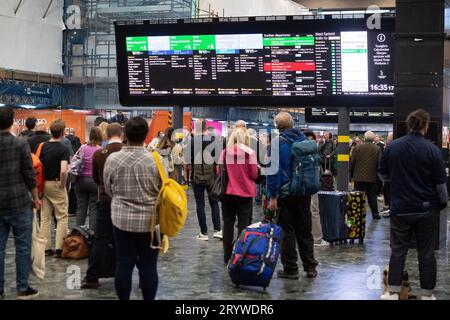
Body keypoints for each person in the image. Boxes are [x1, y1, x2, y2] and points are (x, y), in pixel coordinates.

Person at [380, 109, 447, 300]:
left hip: (400, 207)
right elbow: (440, 185)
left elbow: (383, 175)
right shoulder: (432, 150)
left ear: (409, 124)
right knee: (426, 254)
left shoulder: (393, 147)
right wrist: (440, 205)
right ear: (425, 126)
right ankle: (427, 295)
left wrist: (398, 181)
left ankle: (392, 292)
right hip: (426, 209)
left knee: (398, 250)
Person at [104, 117, 162, 300]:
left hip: (122, 220)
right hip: (153, 223)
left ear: (125, 135)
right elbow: (163, 191)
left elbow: (108, 188)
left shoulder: (113, 159)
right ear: (146, 135)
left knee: (124, 263)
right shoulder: (156, 159)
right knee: (149, 265)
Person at [267, 112, 318, 279]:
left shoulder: (276, 144)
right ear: (292, 123)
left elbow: (272, 173)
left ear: (277, 126)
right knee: (305, 230)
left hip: (285, 194)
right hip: (304, 191)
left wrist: (272, 197)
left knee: (287, 231)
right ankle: (310, 266)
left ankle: (291, 268)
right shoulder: (305, 140)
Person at [0, 107, 41, 300]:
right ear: (12, 122)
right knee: (23, 247)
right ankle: (22, 288)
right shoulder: (20, 144)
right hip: (19, 202)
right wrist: (36, 198)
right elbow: (29, 174)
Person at [81, 123, 123, 289]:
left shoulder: (99, 154)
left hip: (105, 200)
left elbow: (96, 179)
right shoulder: (126, 152)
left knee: (100, 240)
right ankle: (131, 275)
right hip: (124, 201)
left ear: (106, 135)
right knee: (128, 240)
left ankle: (92, 278)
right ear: (122, 135)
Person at [219, 127, 258, 264]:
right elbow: (254, 174)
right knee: (243, 226)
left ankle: (226, 256)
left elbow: (219, 172)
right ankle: (240, 256)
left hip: (228, 194)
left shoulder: (224, 153)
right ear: (246, 139)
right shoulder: (251, 153)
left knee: (228, 225)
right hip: (245, 195)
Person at [39, 119, 70, 257]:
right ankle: (59, 247)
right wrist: (63, 184)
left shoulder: (42, 146)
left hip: (44, 184)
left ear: (50, 131)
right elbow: (64, 170)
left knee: (45, 217)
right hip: (57, 184)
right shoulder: (63, 148)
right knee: (62, 216)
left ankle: (45, 248)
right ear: (63, 132)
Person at [188, 119, 222, 241]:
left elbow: (187, 161)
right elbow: (218, 159)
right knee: (214, 203)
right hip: (211, 176)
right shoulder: (213, 140)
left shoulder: (192, 141)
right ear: (206, 128)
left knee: (200, 204)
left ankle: (203, 233)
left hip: (196, 176)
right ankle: (218, 230)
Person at [303, 130, 328, 247]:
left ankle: (306, 237)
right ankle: (317, 238)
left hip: (300, 186)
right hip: (311, 186)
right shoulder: (312, 155)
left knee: (305, 211)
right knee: (314, 211)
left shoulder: (298, 153)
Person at [349, 131, 382, 220]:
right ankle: (375, 214)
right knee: (372, 196)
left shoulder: (357, 147)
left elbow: (352, 162)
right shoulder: (377, 148)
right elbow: (379, 164)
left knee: (357, 196)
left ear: (364, 138)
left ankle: (357, 214)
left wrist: (351, 174)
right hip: (371, 177)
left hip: (358, 176)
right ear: (373, 139)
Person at [75, 127, 102, 229]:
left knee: (81, 207)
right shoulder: (100, 150)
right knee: (93, 207)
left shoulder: (82, 148)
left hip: (80, 181)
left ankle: (79, 233)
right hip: (94, 181)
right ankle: (92, 233)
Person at [380, 132, 394, 217]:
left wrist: (383, 176)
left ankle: (389, 207)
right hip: (393, 176)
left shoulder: (388, 148)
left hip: (389, 176)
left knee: (388, 191)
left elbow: (383, 163)